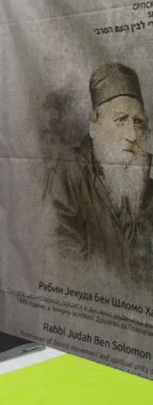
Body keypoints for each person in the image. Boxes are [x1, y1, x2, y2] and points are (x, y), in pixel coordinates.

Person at [45, 61, 153, 275]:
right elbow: (61, 255)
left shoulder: (147, 185)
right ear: (94, 126)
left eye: (138, 122)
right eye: (121, 120)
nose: (132, 135)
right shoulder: (68, 173)